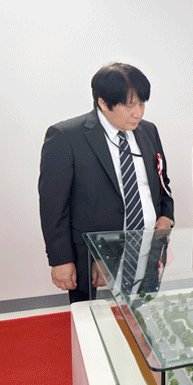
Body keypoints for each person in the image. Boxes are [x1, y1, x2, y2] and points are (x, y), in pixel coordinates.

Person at [39, 62, 174, 303]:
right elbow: (53, 206)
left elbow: (161, 181)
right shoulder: (66, 136)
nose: (138, 113)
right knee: (95, 327)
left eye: (142, 104)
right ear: (103, 102)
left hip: (147, 248)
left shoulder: (148, 131)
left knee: (145, 316)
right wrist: (60, 260)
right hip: (93, 257)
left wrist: (166, 214)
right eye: (129, 105)